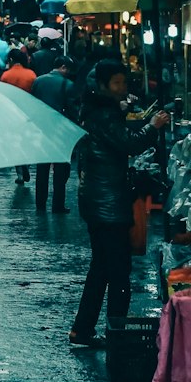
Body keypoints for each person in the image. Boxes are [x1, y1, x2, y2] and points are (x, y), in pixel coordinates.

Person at [71, 60, 169, 348]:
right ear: (102, 85)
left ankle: (83, 329)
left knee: (101, 267)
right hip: (108, 204)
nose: (122, 87)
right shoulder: (103, 114)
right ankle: (117, 331)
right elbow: (130, 143)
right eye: (116, 83)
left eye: (123, 82)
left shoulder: (98, 110)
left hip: (98, 201)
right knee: (118, 272)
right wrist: (153, 125)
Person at [31, 56, 76, 213]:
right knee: (60, 169)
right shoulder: (68, 85)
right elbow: (72, 111)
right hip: (60, 130)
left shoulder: (38, 81)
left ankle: (40, 203)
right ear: (64, 67)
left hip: (42, 128)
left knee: (41, 168)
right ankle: (58, 204)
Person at [0, 49, 38, 185]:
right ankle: (26, 164)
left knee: (14, 142)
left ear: (10, 60)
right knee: (26, 140)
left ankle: (20, 174)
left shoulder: (5, 75)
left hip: (11, 112)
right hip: (28, 112)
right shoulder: (31, 74)